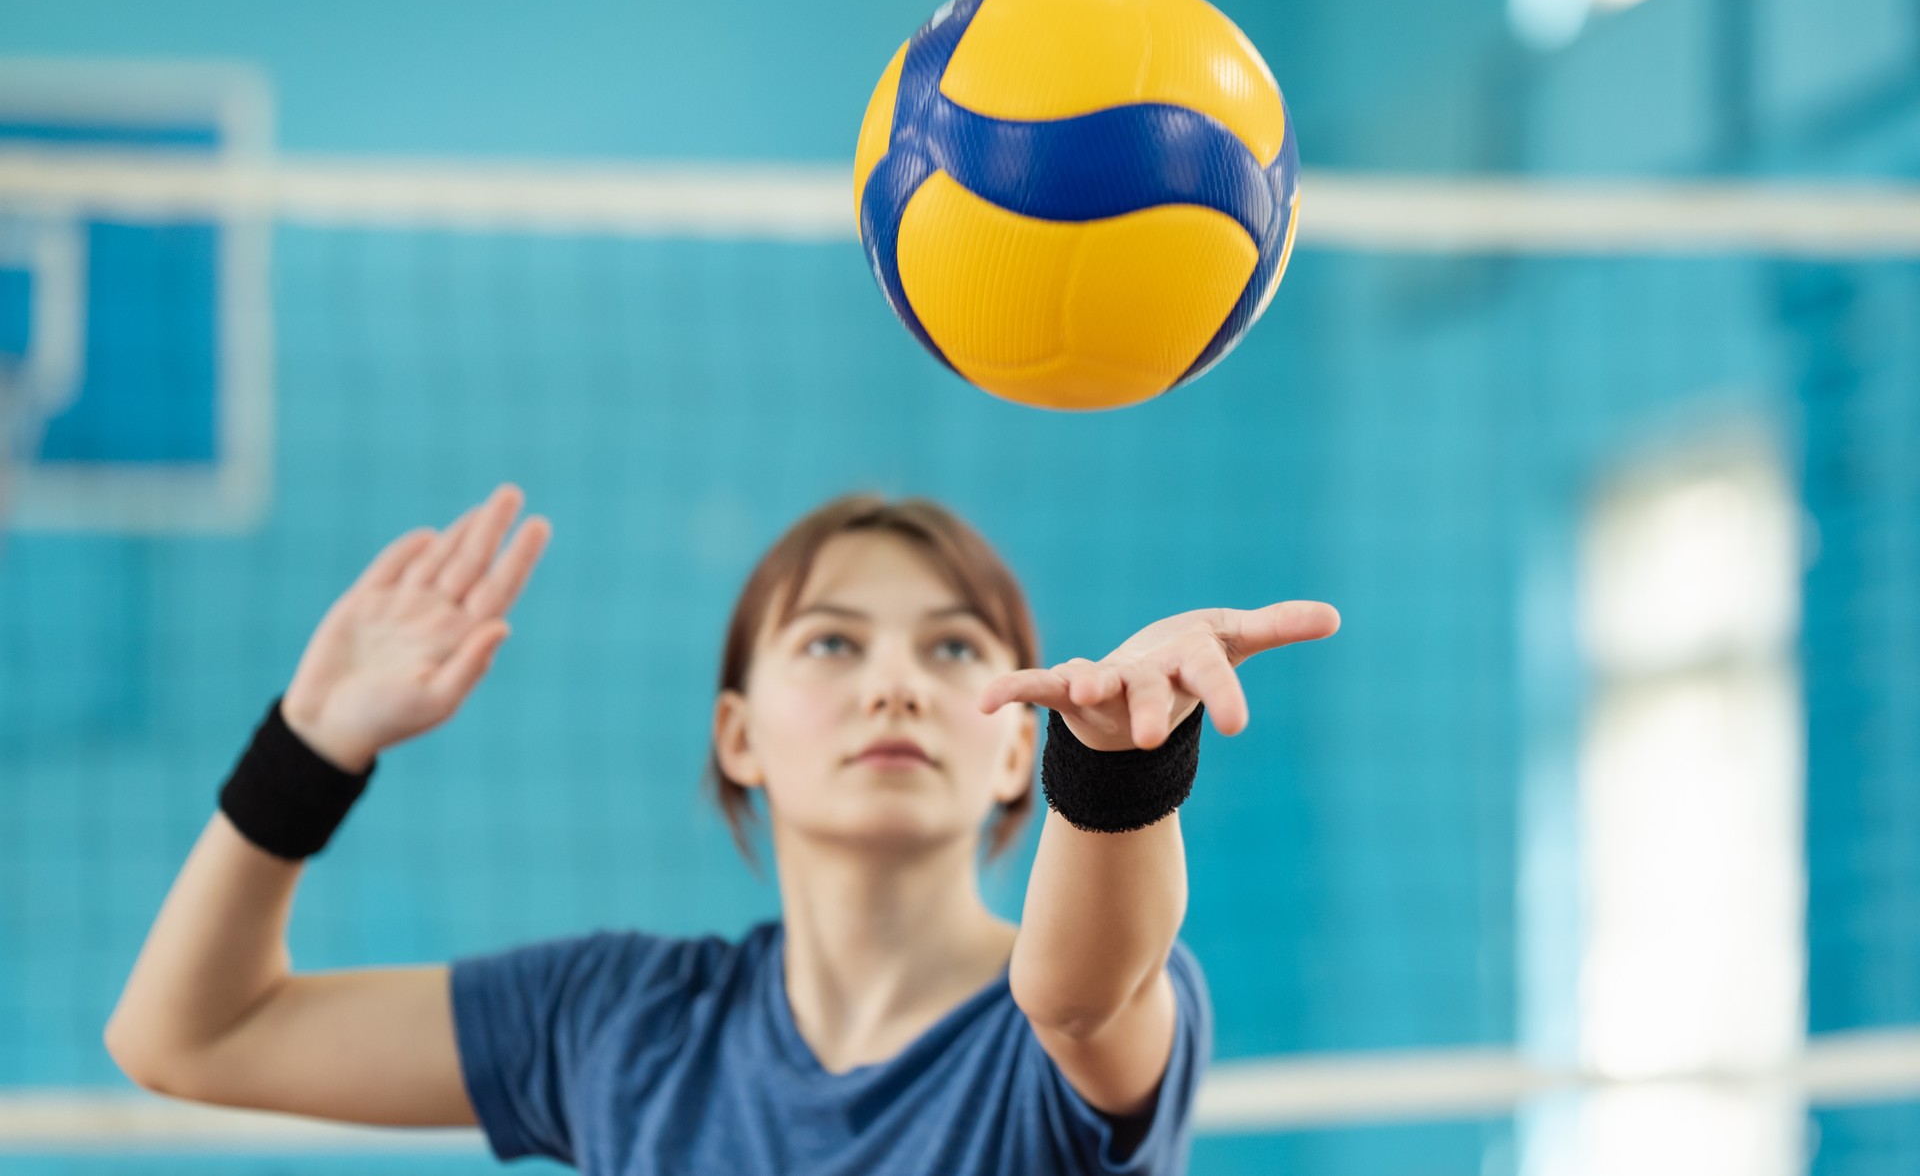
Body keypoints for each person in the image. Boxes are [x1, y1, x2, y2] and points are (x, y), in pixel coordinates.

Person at [104, 483, 1339, 1173]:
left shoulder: (1066, 1028)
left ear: (1019, 746)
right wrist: (311, 743)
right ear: (738, 734)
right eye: (832, 642)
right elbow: (188, 1034)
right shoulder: (613, 1027)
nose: (894, 684)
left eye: (954, 646)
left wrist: (1120, 763)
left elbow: (1076, 996)